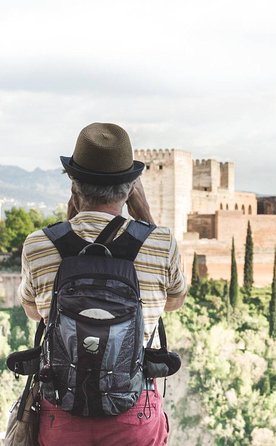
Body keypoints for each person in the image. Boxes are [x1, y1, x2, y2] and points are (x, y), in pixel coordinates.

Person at [19, 122, 187, 445]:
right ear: (129, 188)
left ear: (74, 185)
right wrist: (146, 217)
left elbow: (34, 311)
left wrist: (67, 229)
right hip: (134, 417)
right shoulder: (162, 243)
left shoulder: (38, 245)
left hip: (61, 419)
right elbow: (175, 300)